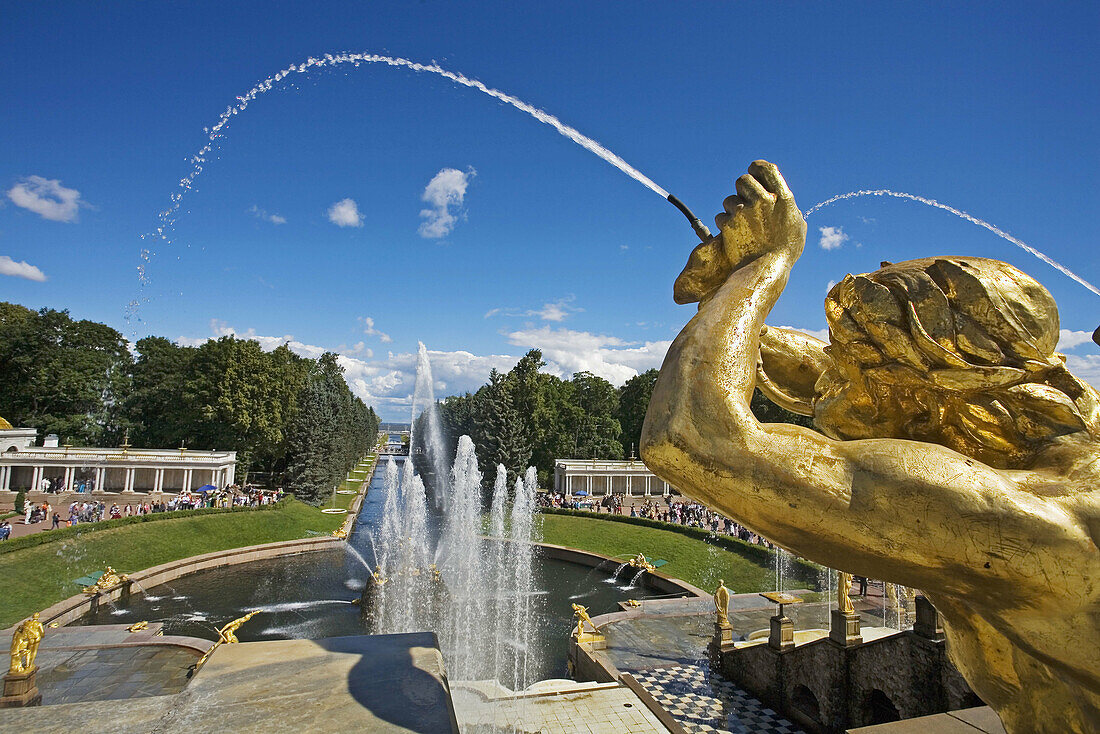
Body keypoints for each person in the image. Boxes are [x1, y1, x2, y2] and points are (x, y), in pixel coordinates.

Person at [641, 161, 1100, 734]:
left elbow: (692, 439)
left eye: (852, 356)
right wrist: (725, 290)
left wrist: (765, 267)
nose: (833, 376)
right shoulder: (1044, 433)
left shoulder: (1016, 518)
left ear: (920, 389)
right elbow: (819, 377)